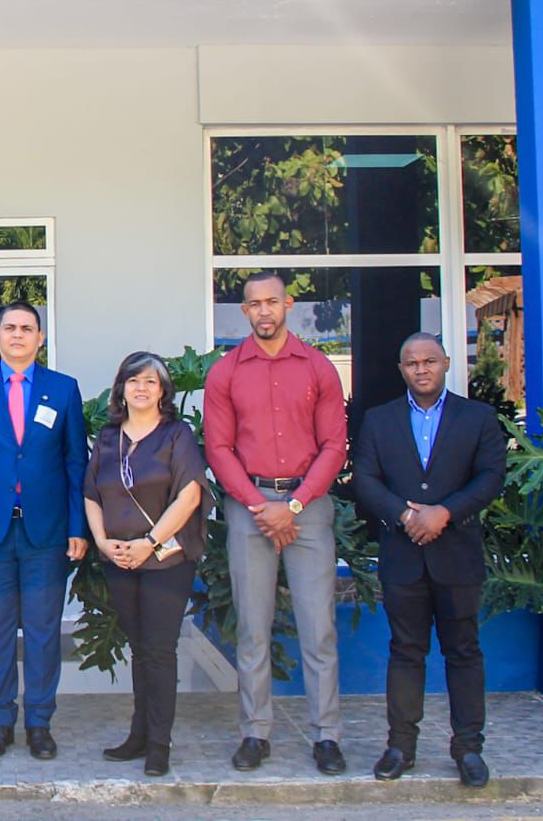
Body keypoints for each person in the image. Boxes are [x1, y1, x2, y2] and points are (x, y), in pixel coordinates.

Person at [203, 271, 349, 775]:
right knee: (253, 627)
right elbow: (218, 449)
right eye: (253, 304)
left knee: (318, 628)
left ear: (288, 304)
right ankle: (254, 732)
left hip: (308, 506)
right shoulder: (225, 372)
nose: (263, 311)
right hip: (250, 509)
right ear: (243, 312)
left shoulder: (317, 367)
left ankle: (326, 735)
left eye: (272, 302)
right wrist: (258, 505)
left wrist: (296, 505)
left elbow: (335, 446)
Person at [350, 332, 506, 790]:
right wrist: (403, 514)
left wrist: (445, 512)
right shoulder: (379, 421)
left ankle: (469, 749)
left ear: (446, 364)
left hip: (457, 555)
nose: (421, 369)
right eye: (412, 363)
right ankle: (401, 746)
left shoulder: (477, 417)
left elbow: (492, 476)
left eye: (429, 361)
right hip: (402, 557)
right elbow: (364, 478)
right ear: (401, 370)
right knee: (405, 652)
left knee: (463, 652)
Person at [0, 301, 88, 760]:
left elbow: (74, 463)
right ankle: (0, 722)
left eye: (28, 329)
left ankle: (40, 723)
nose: (19, 335)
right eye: (10, 328)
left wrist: (78, 526)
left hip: (46, 533)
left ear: (40, 338)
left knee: (45, 633)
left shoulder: (63, 390)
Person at [84, 352, 208, 778]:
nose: (141, 388)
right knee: (139, 650)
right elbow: (91, 494)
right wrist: (103, 542)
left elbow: (189, 495)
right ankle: (139, 734)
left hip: (166, 561)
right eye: (133, 380)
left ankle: (160, 743)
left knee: (158, 651)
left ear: (163, 391)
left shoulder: (178, 436)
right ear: (121, 387)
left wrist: (150, 544)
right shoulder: (107, 437)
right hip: (118, 559)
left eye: (151, 382)